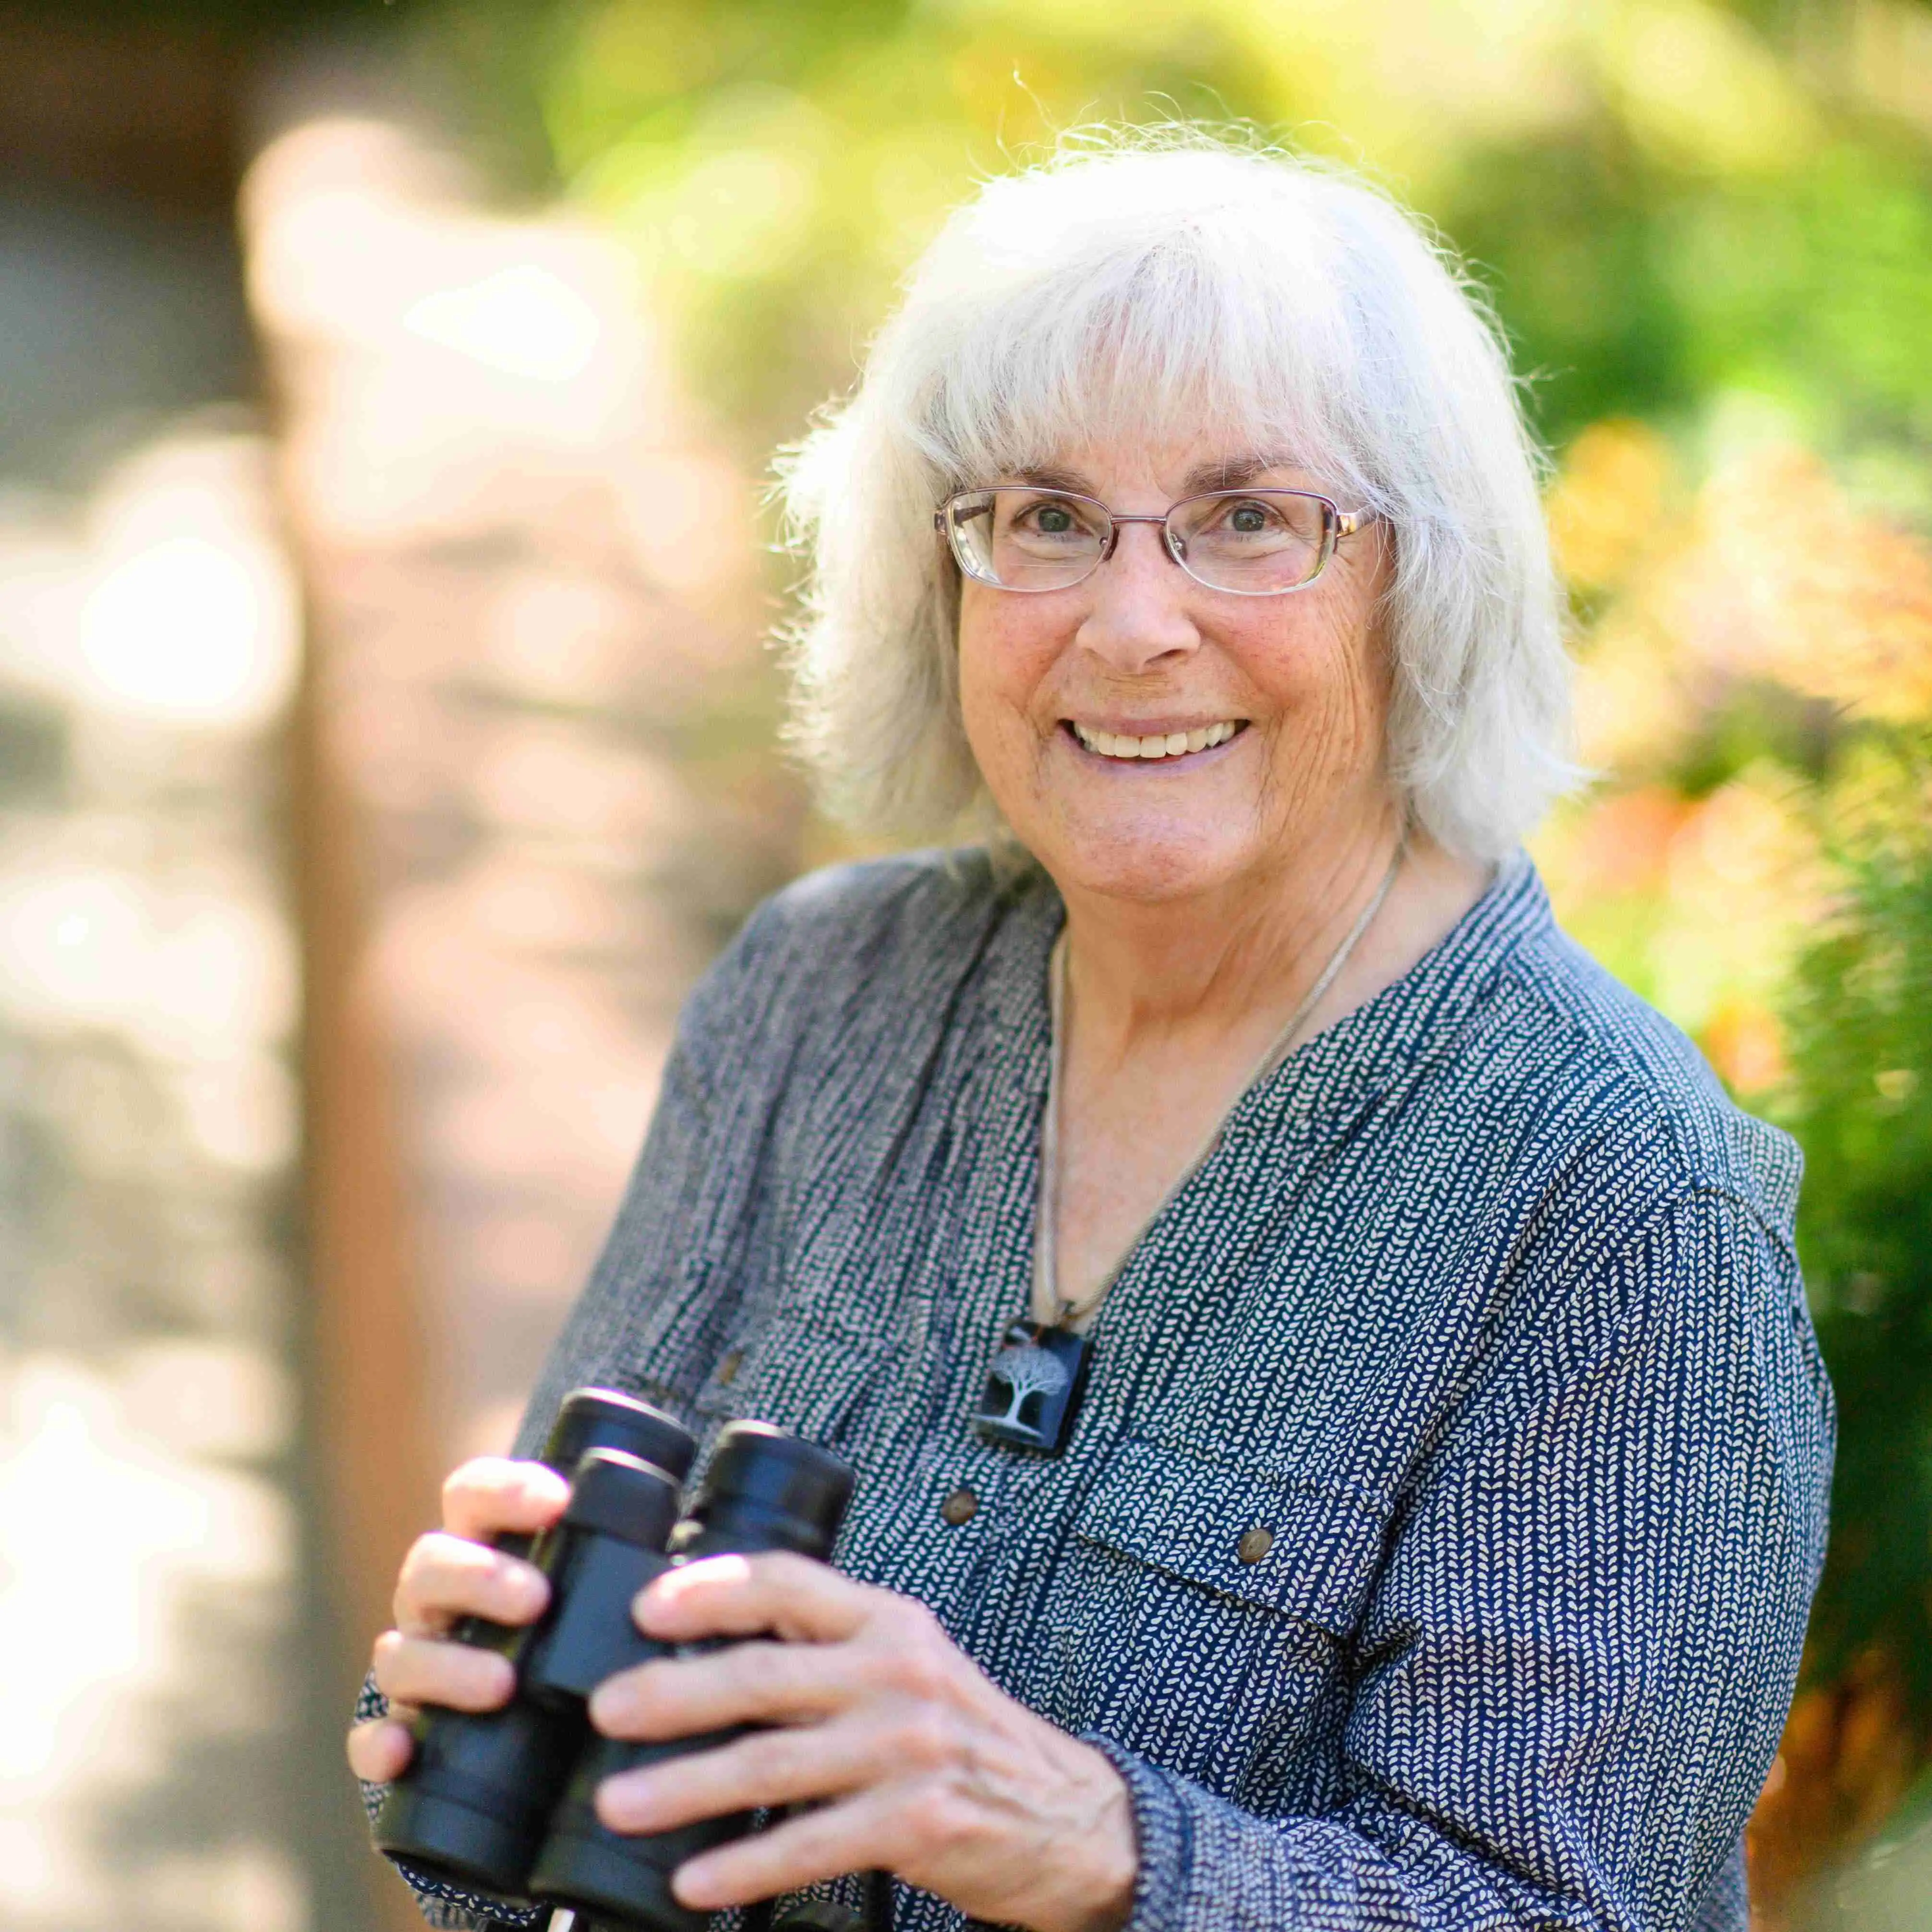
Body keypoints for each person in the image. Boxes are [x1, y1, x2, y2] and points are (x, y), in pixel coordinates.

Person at [348, 132, 1834, 1932]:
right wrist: (477, 1724)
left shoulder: (1620, 1204)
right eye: (1045, 517)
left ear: (1415, 592)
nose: (1134, 623)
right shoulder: (821, 999)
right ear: (942, 580)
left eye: (1250, 520)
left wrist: (1091, 1841)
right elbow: (545, 1826)